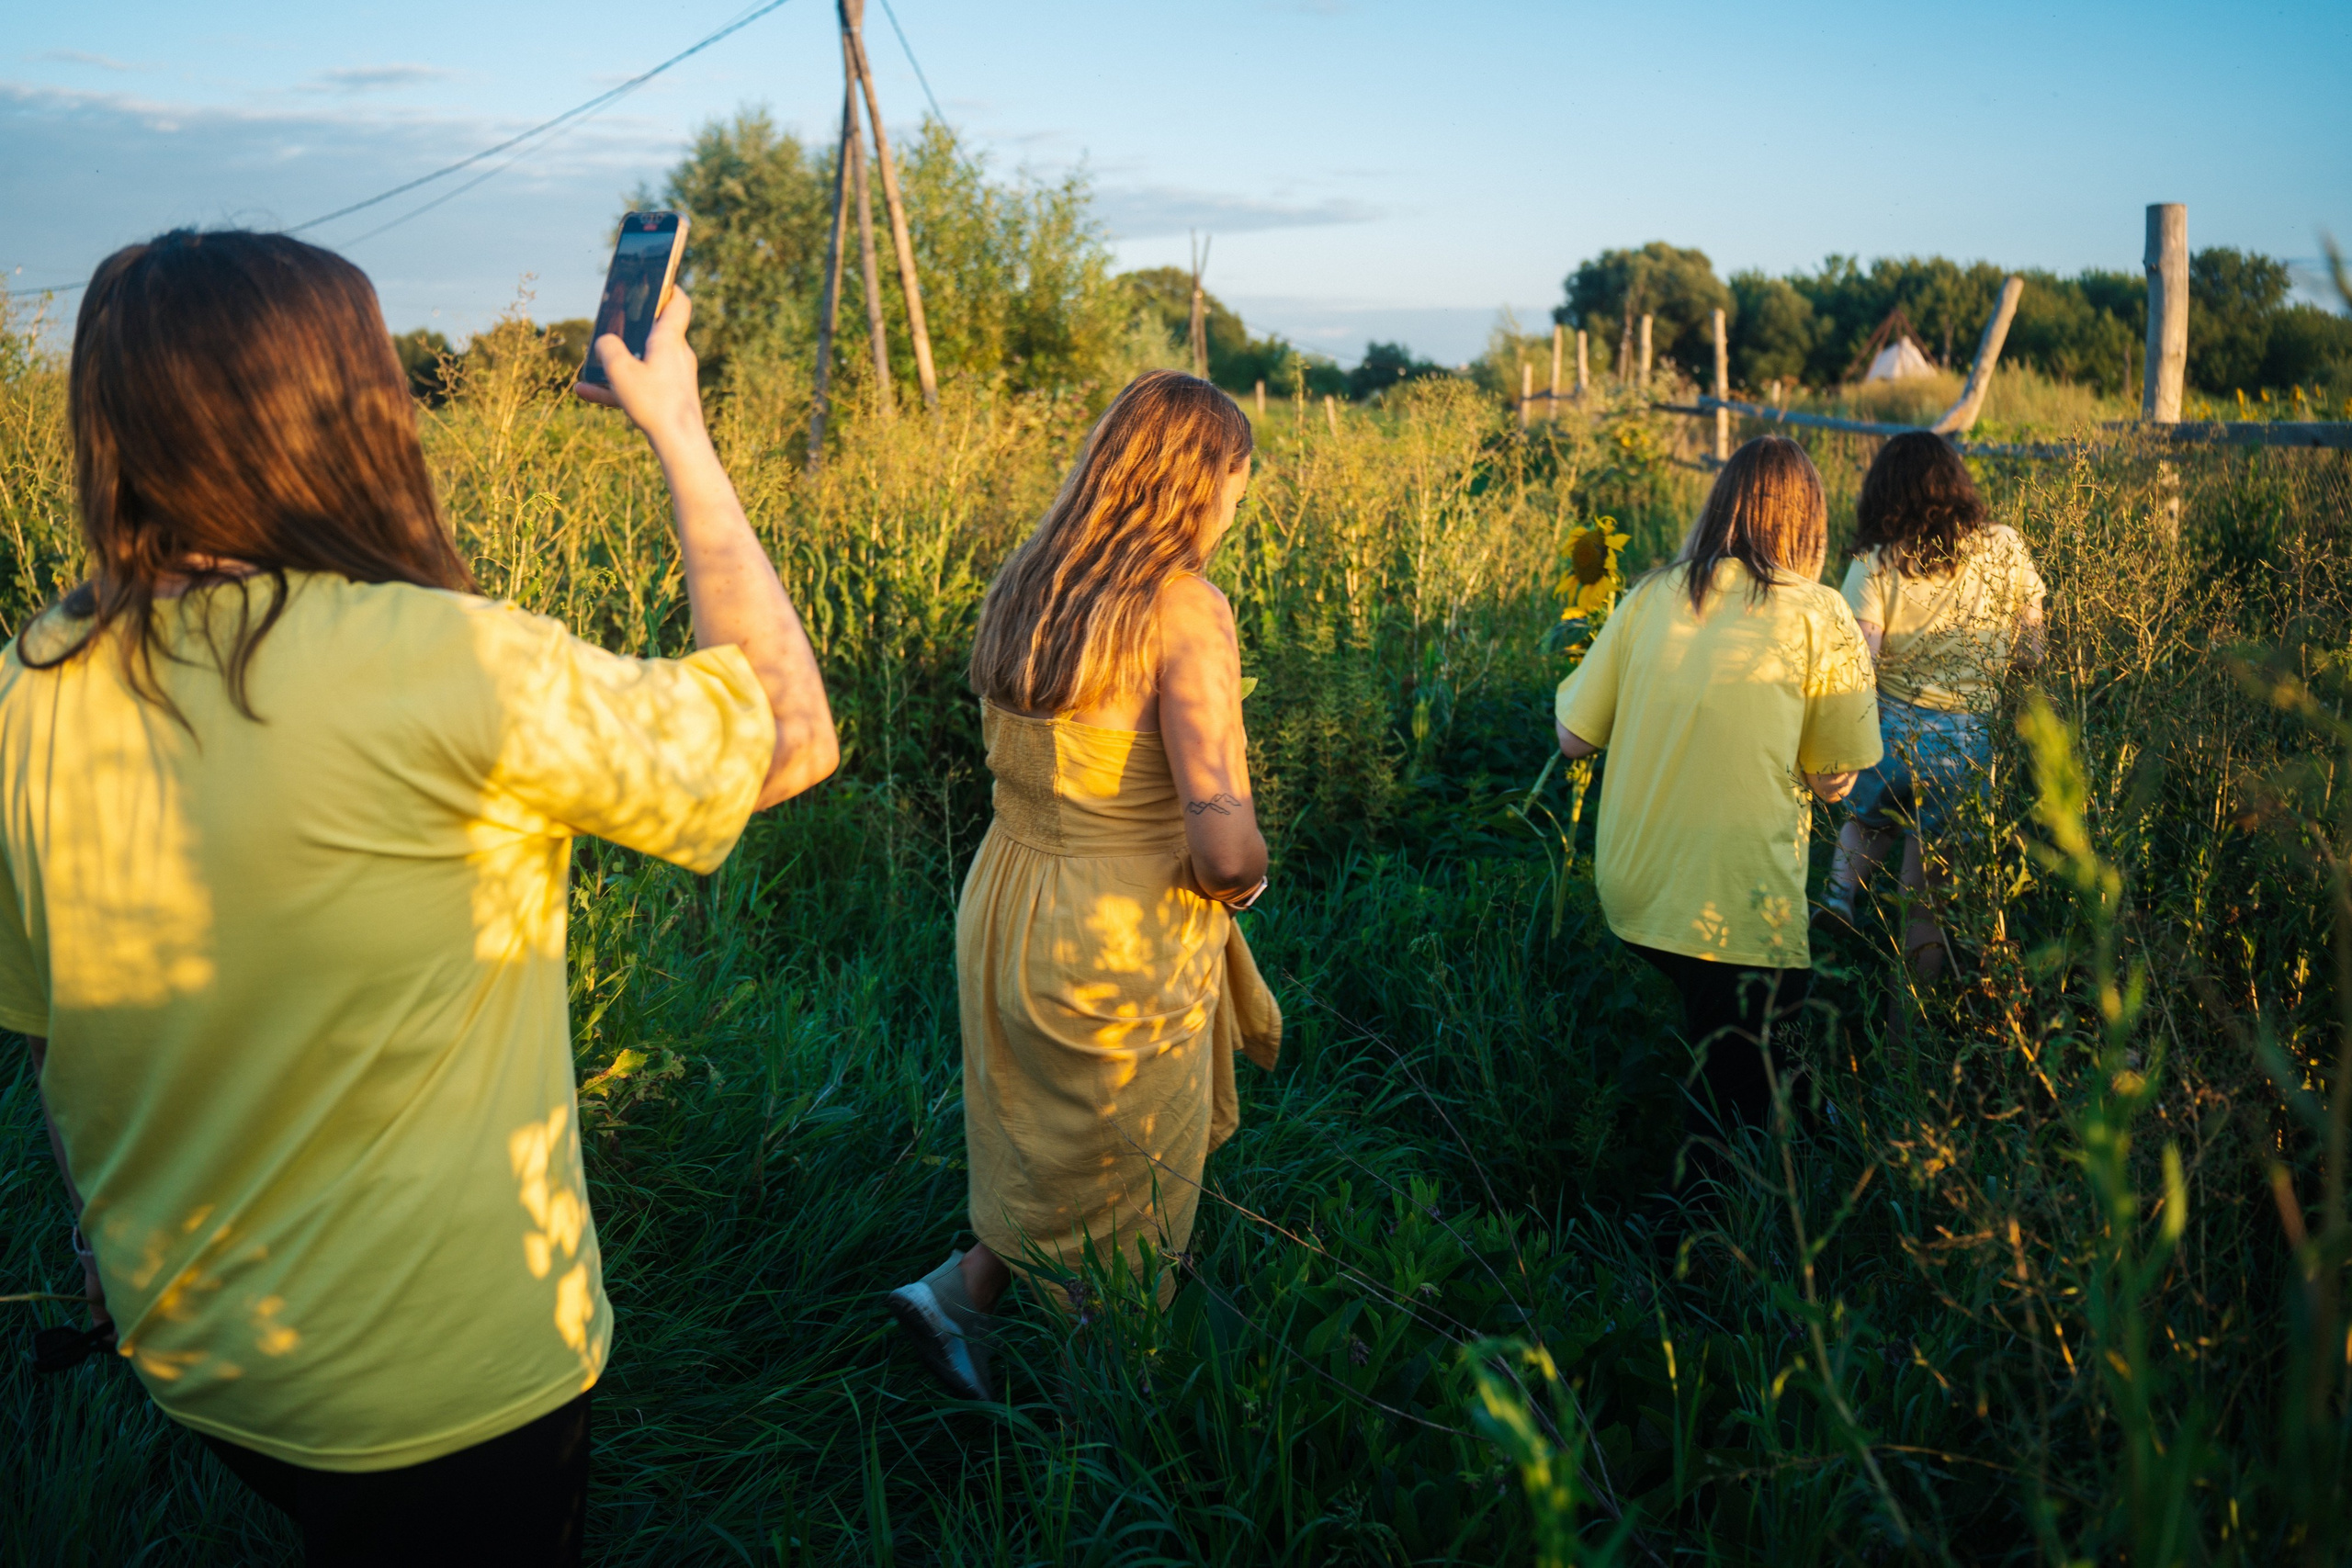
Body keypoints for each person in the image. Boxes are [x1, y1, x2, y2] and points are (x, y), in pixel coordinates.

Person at [0, 230, 836, 1565]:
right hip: (441, 1387)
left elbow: (50, 1033)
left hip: (192, 1346)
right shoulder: (456, 666)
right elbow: (788, 737)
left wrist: (105, 1249)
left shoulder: (33, 676)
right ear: (352, 414)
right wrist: (679, 430)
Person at [887, 370, 1282, 1402]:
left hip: (1008, 895)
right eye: (1235, 486)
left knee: (1045, 1133)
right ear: (1198, 483)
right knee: (1125, 1176)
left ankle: (960, 1296)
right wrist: (1247, 882)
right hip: (1114, 926)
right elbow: (1223, 847)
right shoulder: (1182, 607)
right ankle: (1102, 1409)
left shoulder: (1034, 580)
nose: (1235, 508)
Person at [1552, 435, 1881, 1140]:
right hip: (1735, 905)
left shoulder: (1650, 593)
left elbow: (1573, 738)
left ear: (1721, 503)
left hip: (1636, 886)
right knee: (1735, 1113)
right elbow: (1832, 782)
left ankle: (1805, 1120)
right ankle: (1718, 1197)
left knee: (1756, 1040)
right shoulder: (1822, 612)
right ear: (1810, 522)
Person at [1821, 431, 2045, 978]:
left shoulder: (1877, 560)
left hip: (1889, 728)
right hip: (1966, 740)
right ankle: (1913, 1008)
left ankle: (1838, 896)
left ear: (1883, 492)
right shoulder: (2006, 547)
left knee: (1868, 820)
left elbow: (1860, 664)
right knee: (1929, 889)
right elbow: (2032, 652)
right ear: (1957, 483)